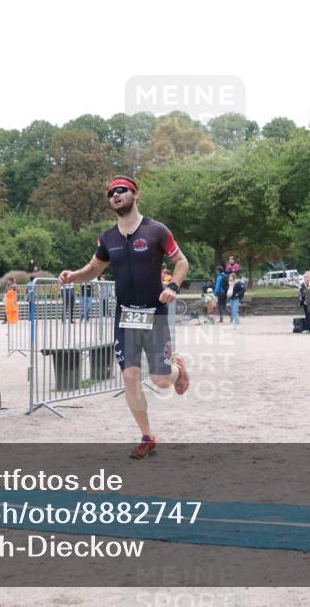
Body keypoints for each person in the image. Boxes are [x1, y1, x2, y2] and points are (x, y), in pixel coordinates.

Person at [58, 175, 191, 459]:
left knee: (162, 381)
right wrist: (73, 277)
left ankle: (177, 368)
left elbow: (181, 262)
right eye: (110, 193)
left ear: (136, 194)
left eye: (122, 190)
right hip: (125, 317)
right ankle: (147, 436)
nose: (115, 195)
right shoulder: (108, 238)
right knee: (130, 377)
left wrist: (173, 286)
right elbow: (94, 269)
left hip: (154, 314)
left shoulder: (156, 231)